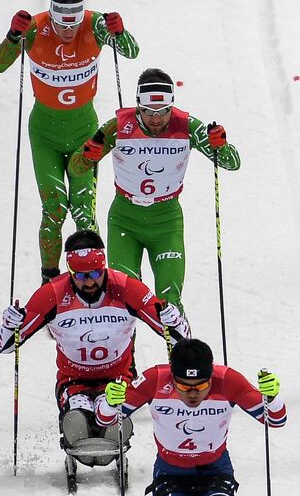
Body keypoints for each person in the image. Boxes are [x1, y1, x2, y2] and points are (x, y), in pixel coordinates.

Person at [0, 231, 189, 485]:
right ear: (70, 272)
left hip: (118, 379)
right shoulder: (52, 294)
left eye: (96, 273)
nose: (89, 282)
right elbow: (6, 346)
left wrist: (174, 321)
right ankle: (81, 428)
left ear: (103, 266)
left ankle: (113, 427)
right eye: (81, 276)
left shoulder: (127, 288)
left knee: (110, 418)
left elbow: (181, 340)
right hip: (73, 380)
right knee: (78, 422)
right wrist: (10, 325)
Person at [0, 0, 139, 282]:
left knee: (84, 211)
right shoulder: (35, 28)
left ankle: (94, 278)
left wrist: (121, 32)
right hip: (45, 134)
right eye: (62, 26)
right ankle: (49, 279)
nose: (68, 32)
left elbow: (131, 52)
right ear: (52, 17)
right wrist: (13, 36)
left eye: (73, 26)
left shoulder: (95, 25)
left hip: (85, 132)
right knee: (54, 208)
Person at [96, 339, 285, 496]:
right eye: (184, 387)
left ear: (211, 377)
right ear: (173, 377)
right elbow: (106, 419)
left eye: (201, 386)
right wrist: (109, 402)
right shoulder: (155, 380)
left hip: (215, 468)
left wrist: (272, 399)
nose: (193, 394)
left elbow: (275, 420)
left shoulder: (228, 381)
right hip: (171, 471)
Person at [68, 69, 239, 317]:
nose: (156, 119)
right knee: (122, 302)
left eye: (163, 111)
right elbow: (75, 168)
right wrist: (87, 155)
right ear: (138, 105)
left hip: (166, 223)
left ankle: (181, 345)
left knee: (170, 304)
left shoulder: (187, 126)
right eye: (148, 112)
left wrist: (220, 146)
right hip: (125, 221)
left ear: (172, 105)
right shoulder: (118, 127)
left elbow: (232, 163)